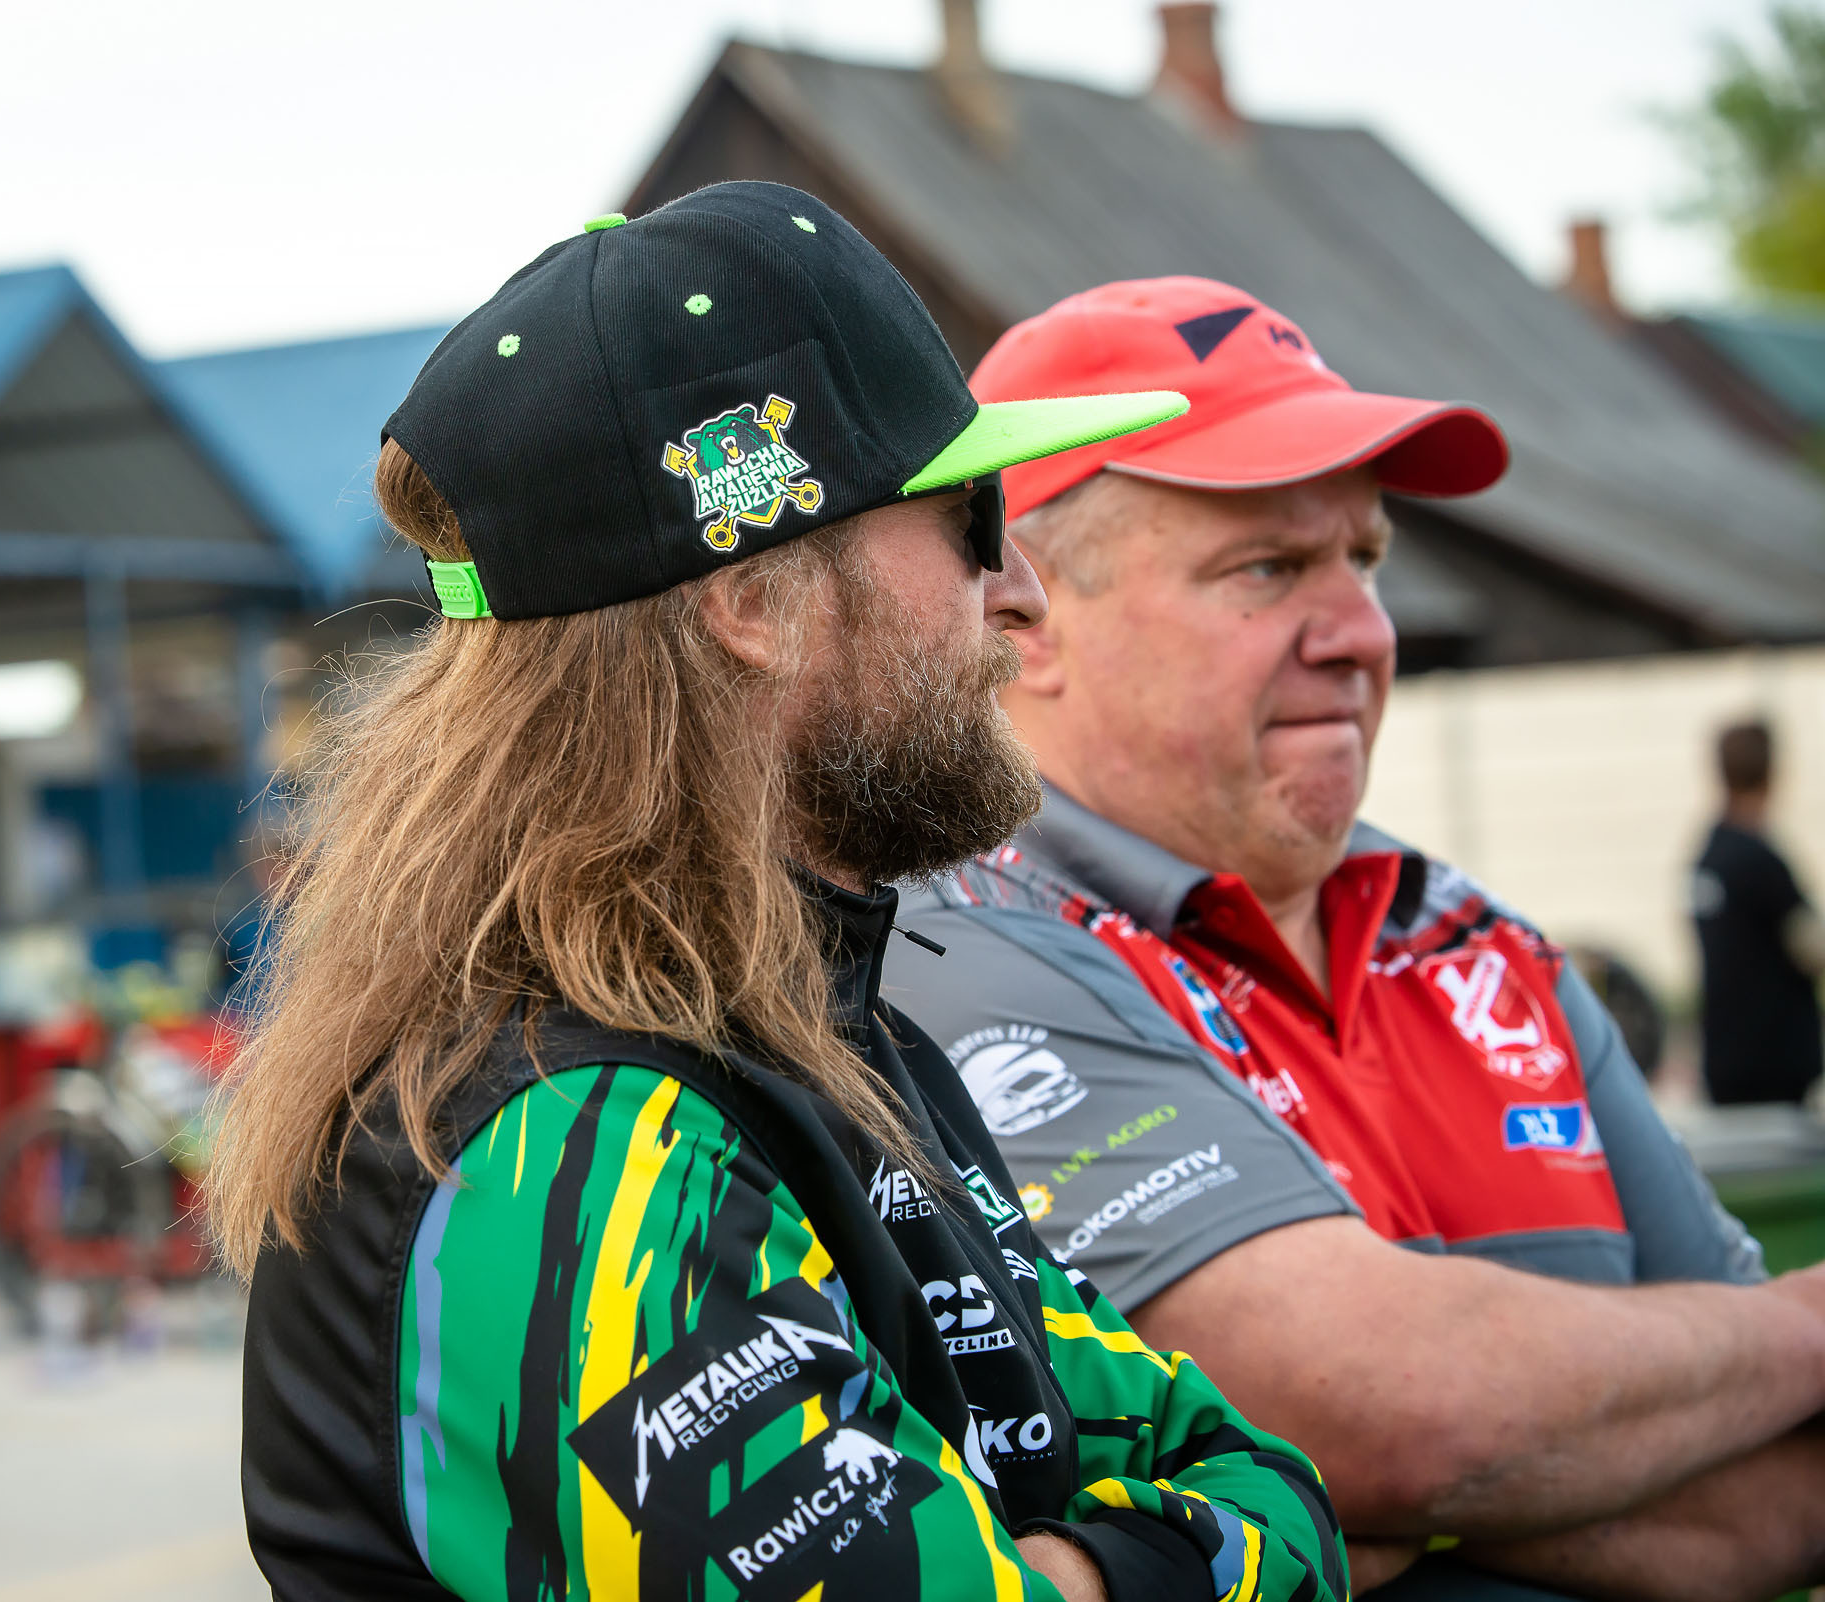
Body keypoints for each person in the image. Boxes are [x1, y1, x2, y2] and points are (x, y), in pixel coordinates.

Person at [209, 190, 1348, 1602]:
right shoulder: (569, 1144)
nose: (1023, 593)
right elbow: (1232, 1526)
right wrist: (1142, 1558)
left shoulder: (844, 1050)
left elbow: (1278, 1485)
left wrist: (1072, 1571)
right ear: (754, 599)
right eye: (970, 516)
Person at [883, 277, 1825, 1599]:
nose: (1364, 633)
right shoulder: (944, 945)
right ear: (1022, 618)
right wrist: (1799, 1326)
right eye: (1267, 567)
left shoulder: (1472, 939)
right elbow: (1383, 1408)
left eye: (1366, 559)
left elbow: (1793, 1480)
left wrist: (1388, 1495)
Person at [1694, 719, 1825, 1107]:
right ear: (1772, 774)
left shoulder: (1707, 856)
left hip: (1724, 1056)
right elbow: (1812, 949)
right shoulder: (1760, 861)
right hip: (1773, 1061)